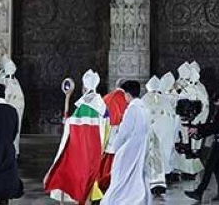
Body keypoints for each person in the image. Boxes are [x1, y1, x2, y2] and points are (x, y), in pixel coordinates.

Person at [44, 69, 107, 203]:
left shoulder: (83, 107)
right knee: (90, 183)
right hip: (96, 151)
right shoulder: (102, 106)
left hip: (80, 151)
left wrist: (67, 98)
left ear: (84, 88)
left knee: (77, 180)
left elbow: (69, 124)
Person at [102, 80, 152, 205]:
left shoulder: (132, 109)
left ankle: (116, 200)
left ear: (128, 94)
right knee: (137, 175)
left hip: (129, 149)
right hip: (141, 149)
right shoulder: (144, 108)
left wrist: (116, 148)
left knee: (121, 177)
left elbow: (124, 132)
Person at [185, 90, 219, 202]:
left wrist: (199, 129)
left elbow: (216, 126)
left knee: (209, 167)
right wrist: (200, 130)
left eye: (216, 101)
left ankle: (199, 192)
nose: (215, 104)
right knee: (215, 167)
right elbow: (215, 126)